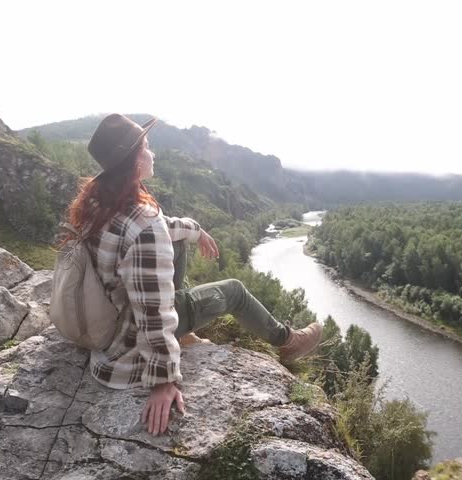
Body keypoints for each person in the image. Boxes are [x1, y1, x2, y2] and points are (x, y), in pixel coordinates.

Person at [60, 113, 323, 436]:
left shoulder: (96, 204)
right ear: (133, 161)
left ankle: (185, 331)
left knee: (180, 240)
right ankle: (288, 341)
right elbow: (153, 312)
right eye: (147, 147)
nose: (152, 153)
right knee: (235, 291)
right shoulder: (144, 226)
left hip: (106, 329)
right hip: (128, 350)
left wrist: (195, 231)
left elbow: (160, 229)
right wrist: (163, 381)